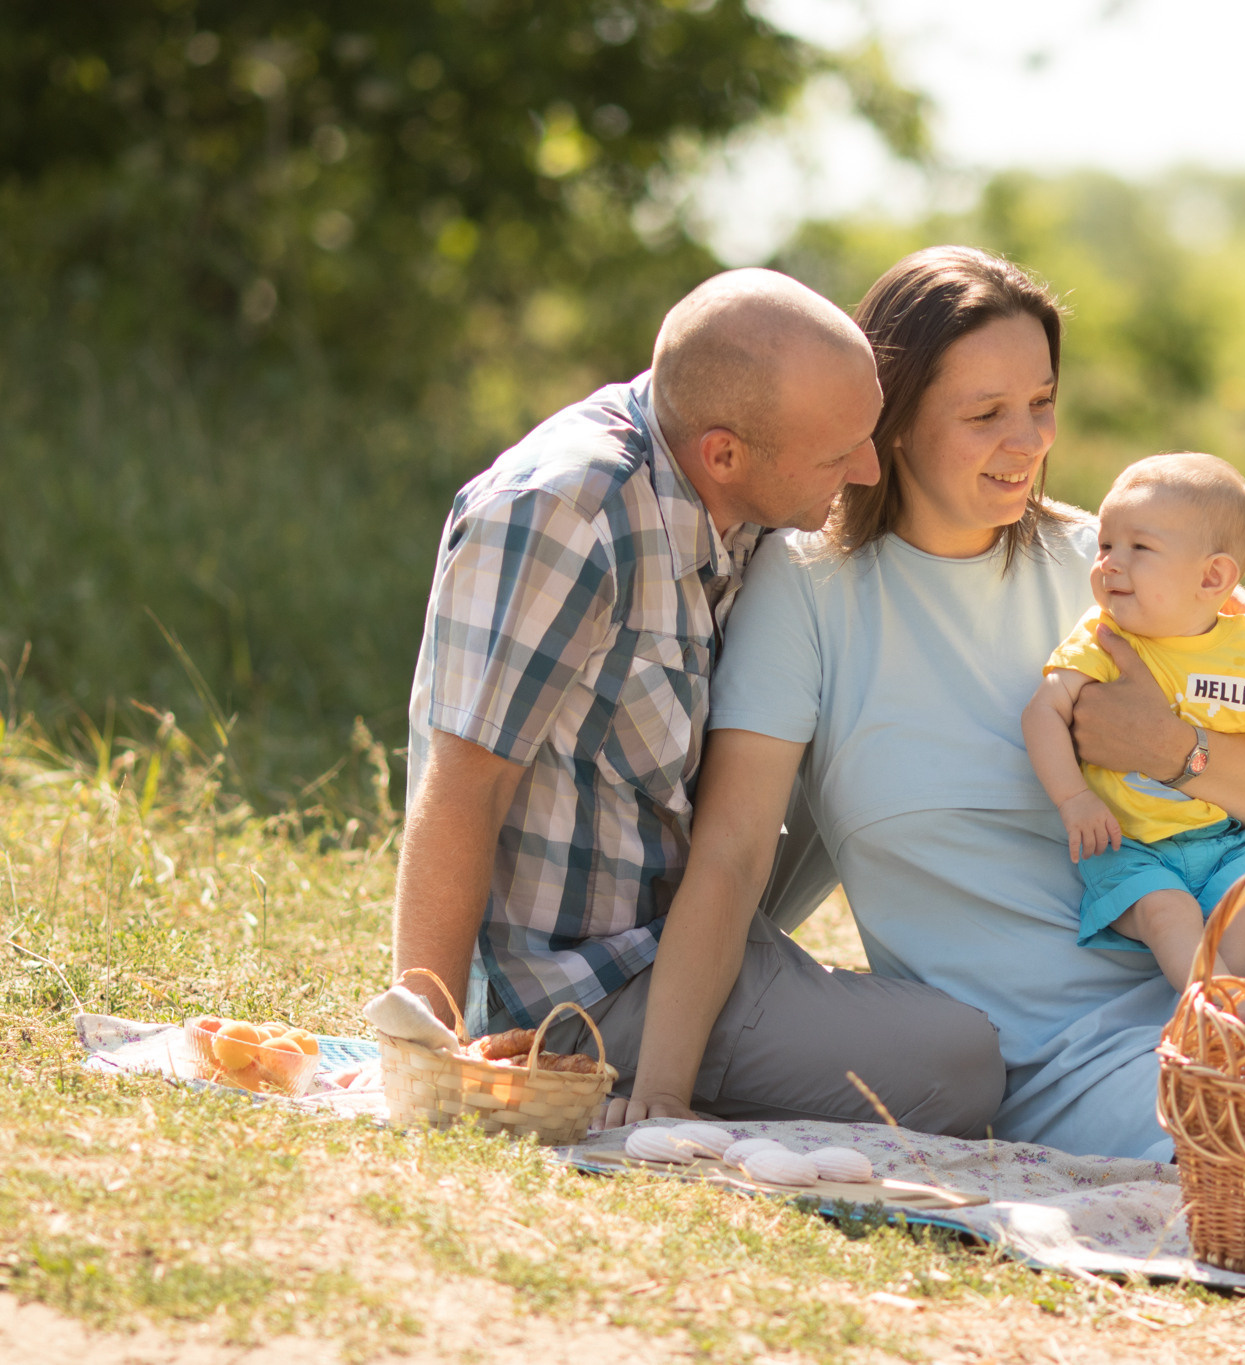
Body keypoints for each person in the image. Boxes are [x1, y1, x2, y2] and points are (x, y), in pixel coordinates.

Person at [609, 246, 1245, 1159]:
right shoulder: (808, 589)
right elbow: (734, 850)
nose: (1026, 441)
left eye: (1041, 405)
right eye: (986, 413)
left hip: (1232, 950)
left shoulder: (1119, 569)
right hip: (1053, 1054)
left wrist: (1174, 749)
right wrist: (661, 1092)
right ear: (894, 422)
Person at [392, 268, 1006, 1137]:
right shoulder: (562, 515)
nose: (869, 468)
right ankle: (636, 1069)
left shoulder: (742, 473)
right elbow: (464, 787)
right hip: (588, 986)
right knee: (965, 1067)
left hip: (687, 898)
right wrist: (430, 1052)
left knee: (869, 713)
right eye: (840, 454)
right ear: (723, 453)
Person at [1022, 452, 1245, 987]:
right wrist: (1074, 798)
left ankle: (1213, 1004)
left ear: (1213, 577)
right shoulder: (1104, 636)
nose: (1110, 562)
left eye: (1139, 548)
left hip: (1224, 839)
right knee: (1171, 915)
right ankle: (1208, 1010)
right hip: (1130, 847)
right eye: (1107, 544)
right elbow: (1045, 710)